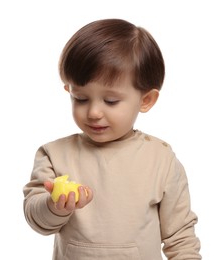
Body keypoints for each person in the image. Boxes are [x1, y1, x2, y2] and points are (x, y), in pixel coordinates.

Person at [23, 18, 201, 260]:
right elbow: (37, 219)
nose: (94, 112)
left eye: (111, 101)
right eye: (81, 99)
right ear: (69, 92)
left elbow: (180, 237)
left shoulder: (161, 159)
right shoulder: (54, 154)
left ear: (146, 100)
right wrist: (53, 206)